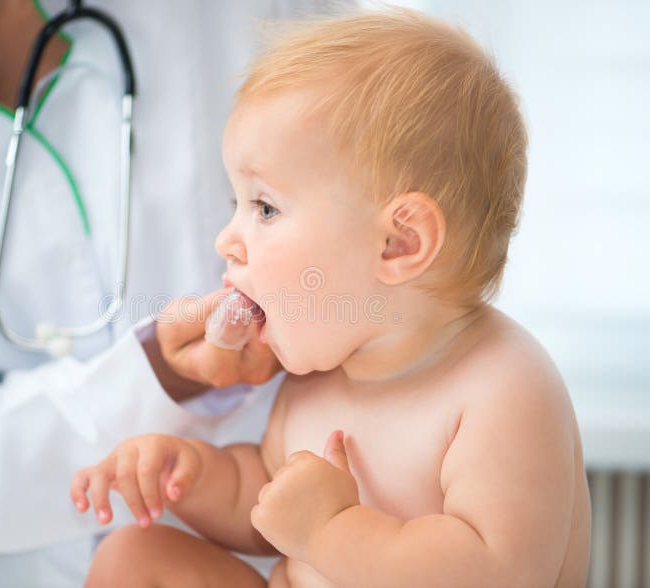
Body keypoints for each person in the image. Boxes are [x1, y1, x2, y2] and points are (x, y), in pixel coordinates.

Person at [70, 8, 592, 587]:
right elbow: (266, 498)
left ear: (399, 242)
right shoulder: (320, 374)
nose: (227, 240)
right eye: (236, 205)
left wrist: (330, 532)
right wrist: (191, 475)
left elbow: (496, 574)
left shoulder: (505, 388)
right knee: (134, 558)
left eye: (265, 208)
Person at [0, 1, 343, 586]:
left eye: (260, 208)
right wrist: (154, 377)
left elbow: (375, 207)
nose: (230, 237)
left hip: (263, 551)